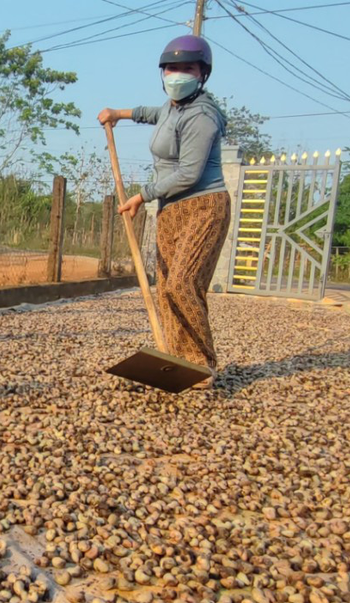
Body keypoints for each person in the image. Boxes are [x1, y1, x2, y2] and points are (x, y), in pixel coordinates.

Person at [99, 34, 230, 389]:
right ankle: (175, 358)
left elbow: (188, 174)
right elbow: (150, 114)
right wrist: (119, 114)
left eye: (186, 68)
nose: (177, 74)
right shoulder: (173, 109)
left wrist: (142, 196)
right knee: (165, 288)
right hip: (171, 210)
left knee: (184, 283)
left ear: (202, 73)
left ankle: (201, 364)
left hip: (204, 206)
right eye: (171, 68)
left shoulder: (202, 115)